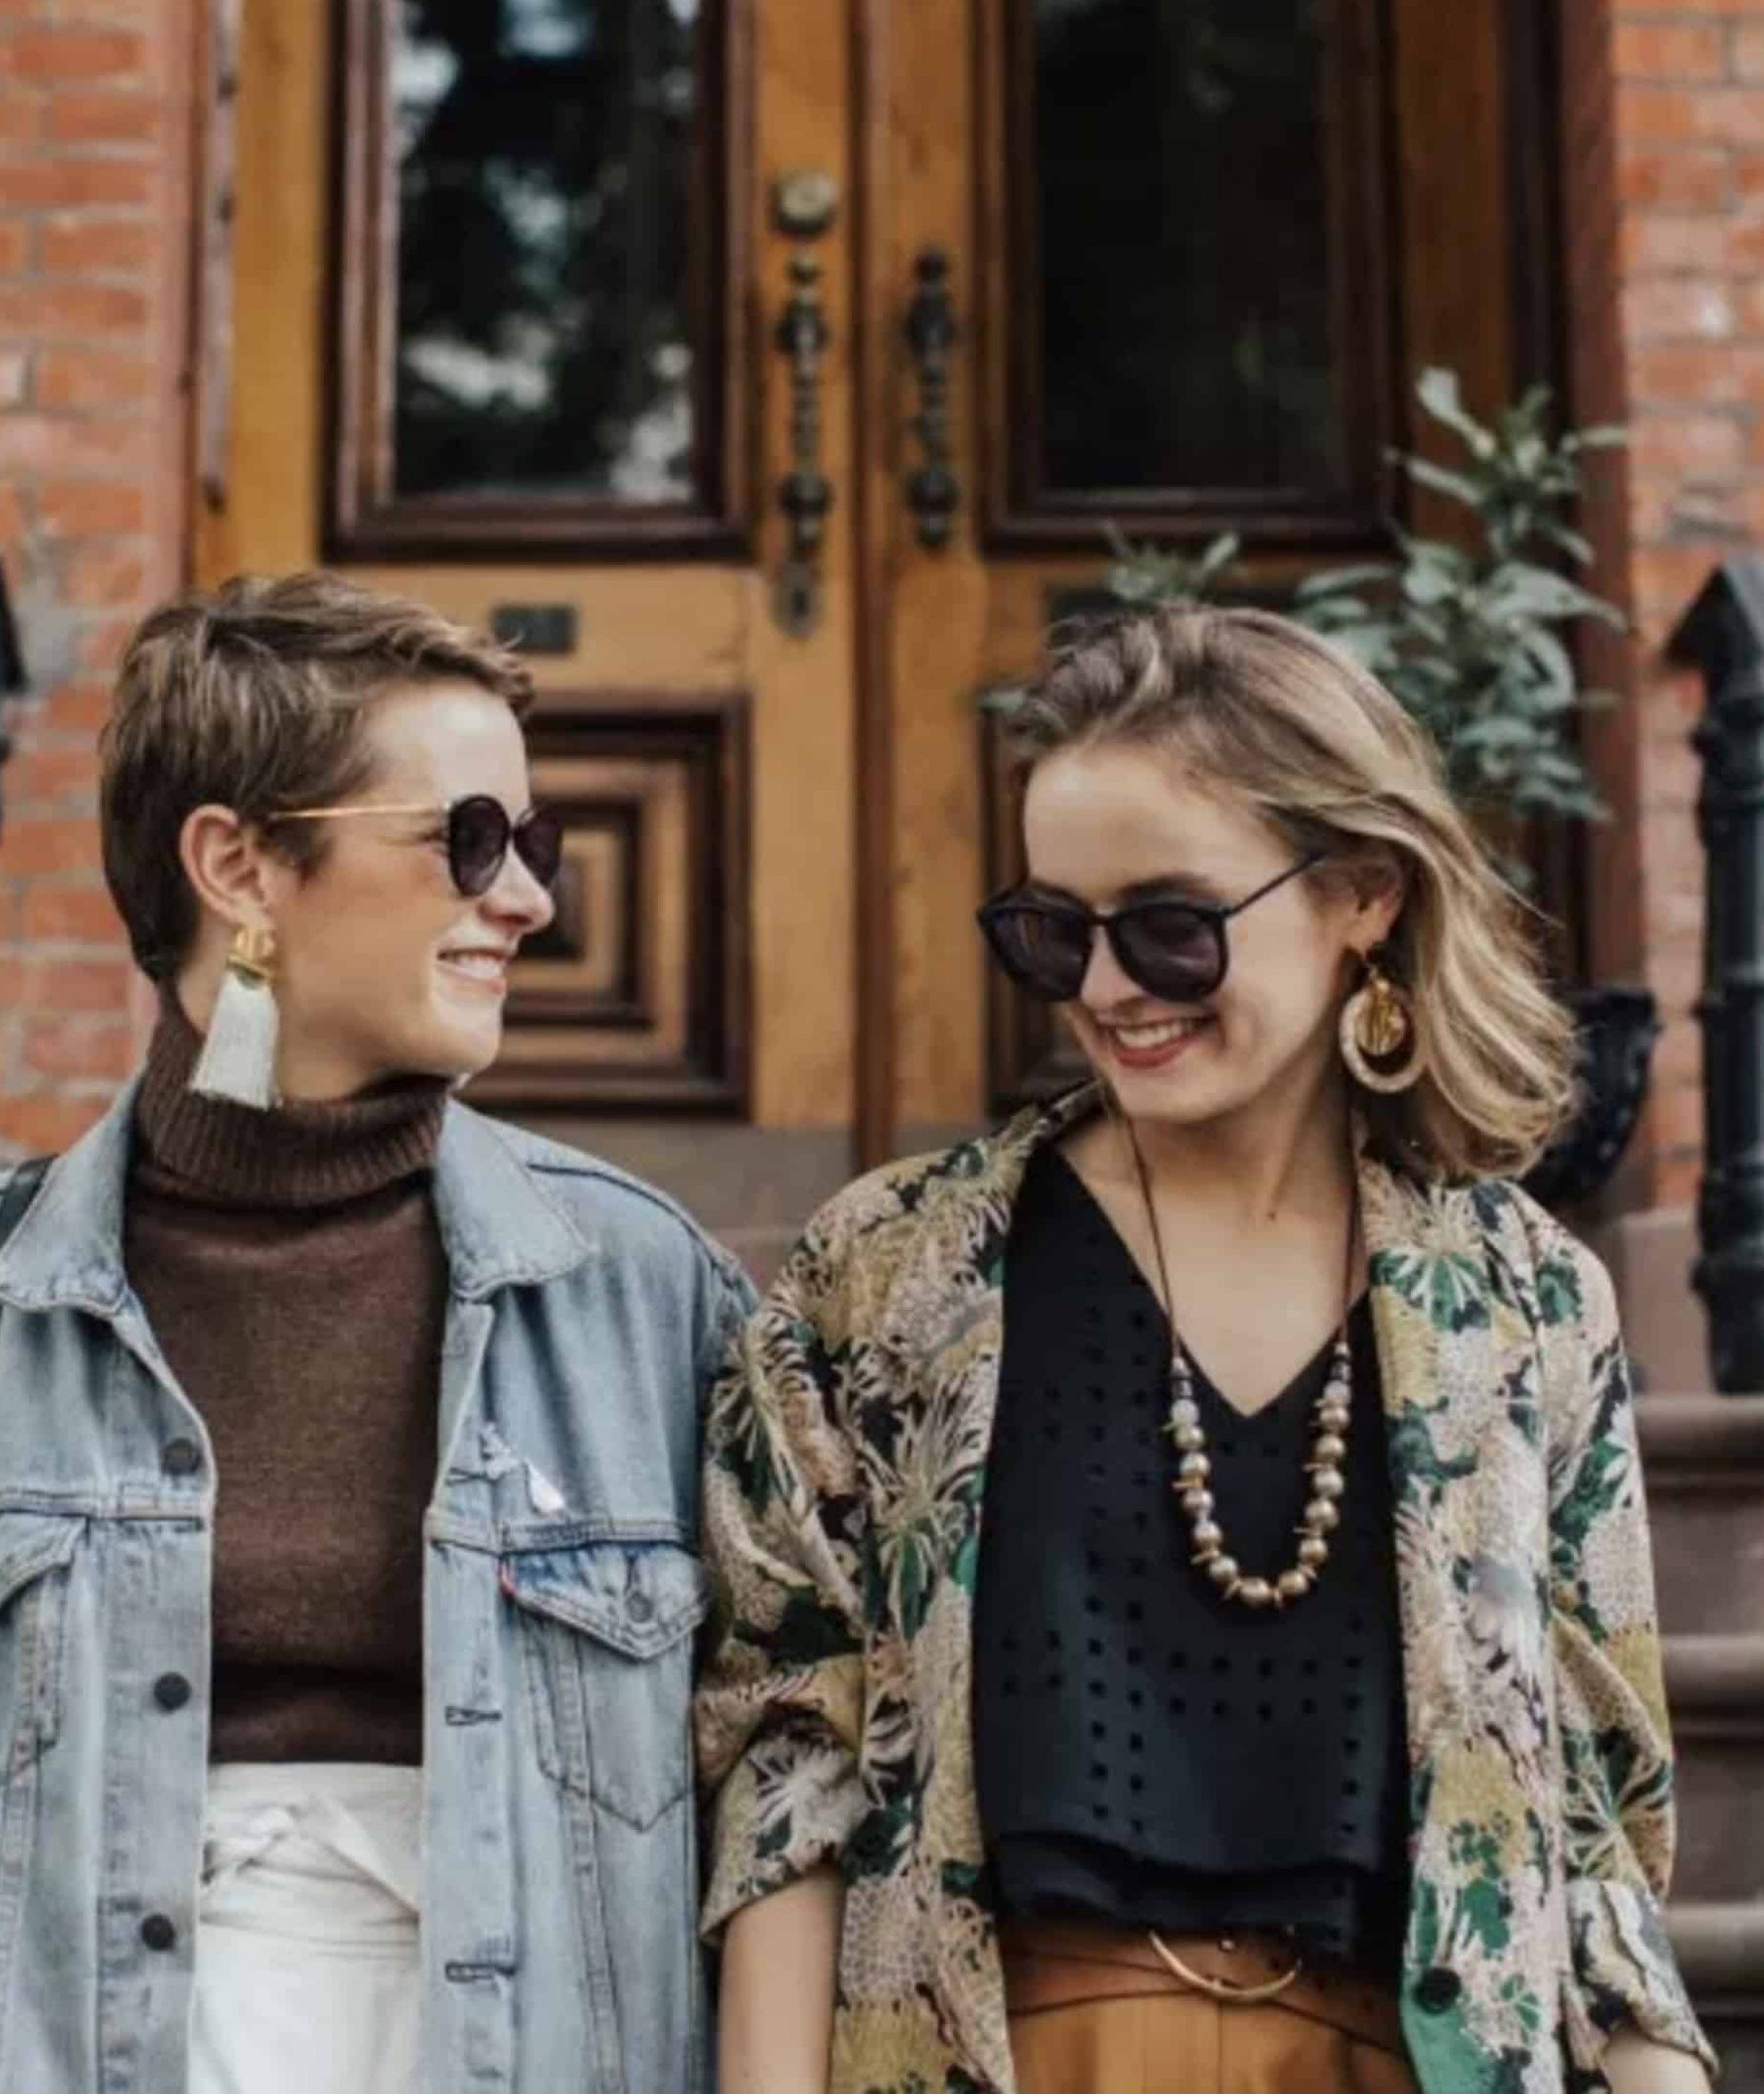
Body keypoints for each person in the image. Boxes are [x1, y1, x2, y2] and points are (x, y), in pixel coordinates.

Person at [0, 573, 750, 2094]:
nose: (531, 897)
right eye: (467, 839)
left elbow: (771, 1783)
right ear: (237, 863)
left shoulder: (638, 1288)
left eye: (529, 843)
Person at [696, 606, 1713, 2094]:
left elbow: (1594, 1826)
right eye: (1053, 930)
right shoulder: (890, 1274)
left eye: (1170, 924)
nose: (1107, 987)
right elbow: (790, 1772)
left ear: (1360, 893)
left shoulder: (1522, 1303)